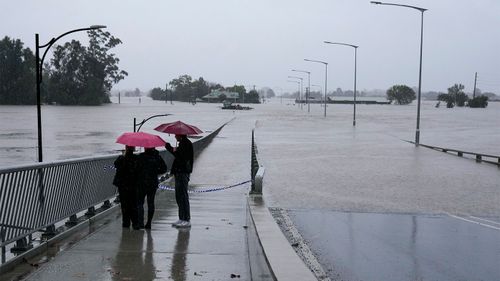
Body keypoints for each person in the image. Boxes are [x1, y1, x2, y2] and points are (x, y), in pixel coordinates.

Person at [165, 134, 194, 228]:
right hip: (180, 172)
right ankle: (181, 218)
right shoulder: (183, 143)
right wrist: (172, 148)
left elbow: (180, 156)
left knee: (183, 196)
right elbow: (179, 154)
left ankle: (186, 219)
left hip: (182, 172)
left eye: (176, 135)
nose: (174, 136)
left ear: (180, 135)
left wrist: (169, 148)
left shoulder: (185, 143)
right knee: (179, 196)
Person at [136, 147, 167, 229]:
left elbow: (136, 169)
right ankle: (149, 223)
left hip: (141, 183)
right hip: (153, 183)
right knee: (151, 203)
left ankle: (140, 222)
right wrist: (155, 171)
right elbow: (164, 169)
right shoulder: (157, 157)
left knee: (139, 202)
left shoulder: (141, 157)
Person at [113, 145, 140, 229]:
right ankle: (135, 223)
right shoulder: (137, 159)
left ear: (126, 148)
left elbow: (116, 165)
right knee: (134, 204)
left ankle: (126, 223)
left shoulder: (121, 159)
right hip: (133, 185)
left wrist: (123, 155)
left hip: (123, 185)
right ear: (134, 149)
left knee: (124, 205)